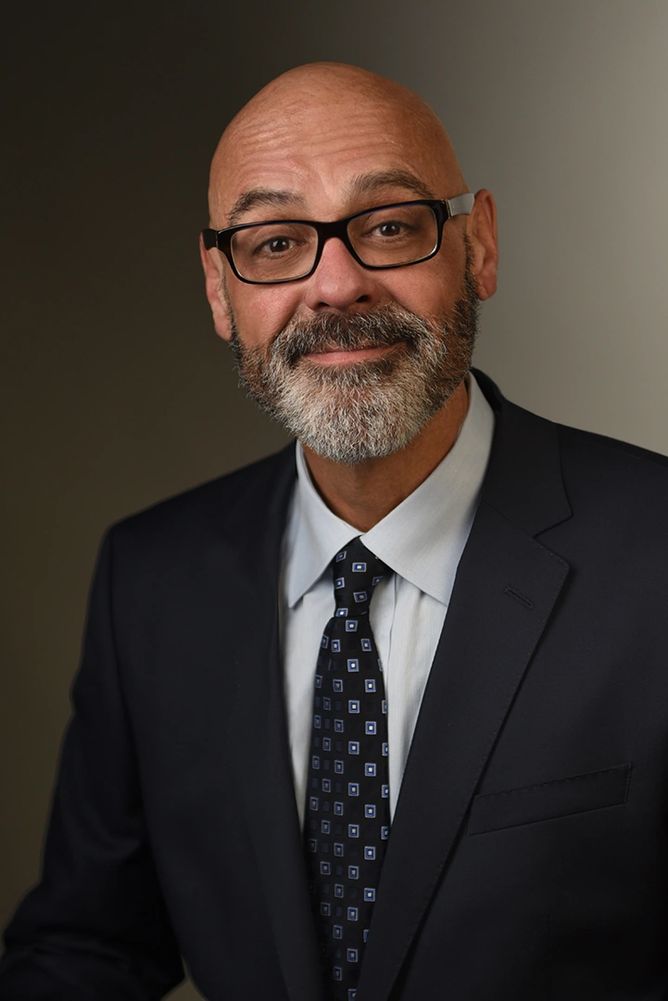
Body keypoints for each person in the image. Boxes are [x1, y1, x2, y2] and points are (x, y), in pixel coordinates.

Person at [1, 61, 667, 1001]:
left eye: (389, 226)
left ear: (478, 244)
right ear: (219, 290)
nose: (337, 284)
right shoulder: (150, 581)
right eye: (275, 243)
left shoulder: (655, 555)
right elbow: (87, 945)